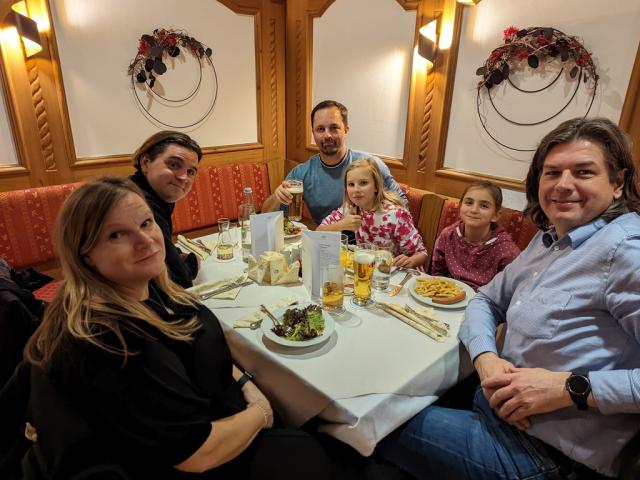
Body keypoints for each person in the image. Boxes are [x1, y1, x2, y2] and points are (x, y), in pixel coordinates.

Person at [18, 177, 356, 479]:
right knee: (332, 449)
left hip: (221, 411)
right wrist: (261, 412)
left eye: (146, 223)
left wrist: (245, 382)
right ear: (85, 255)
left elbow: (192, 343)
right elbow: (196, 454)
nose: (146, 240)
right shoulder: (115, 339)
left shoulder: (145, 290)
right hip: (204, 456)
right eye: (116, 234)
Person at [377, 117, 640, 479]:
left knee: (374, 419)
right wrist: (486, 358)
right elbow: (485, 300)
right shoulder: (549, 239)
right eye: (552, 172)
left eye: (583, 172)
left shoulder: (626, 252)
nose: (563, 184)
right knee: (385, 380)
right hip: (492, 405)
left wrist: (570, 388)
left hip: (542, 454)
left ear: (617, 183)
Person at [261, 100, 407, 225]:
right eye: (320, 129)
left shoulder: (371, 165)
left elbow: (403, 204)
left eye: (334, 128)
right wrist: (276, 197)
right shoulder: (301, 173)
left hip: (367, 244)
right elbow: (265, 216)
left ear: (346, 130)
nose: (327, 135)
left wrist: (372, 221)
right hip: (324, 240)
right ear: (313, 134)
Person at [317, 158, 427, 269]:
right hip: (368, 271)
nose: (356, 190)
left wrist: (411, 261)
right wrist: (341, 225)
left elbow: (422, 253)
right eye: (351, 184)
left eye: (363, 183)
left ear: (376, 186)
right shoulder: (349, 209)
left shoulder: (397, 215)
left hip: (397, 272)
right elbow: (318, 232)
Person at [130, 131, 202, 288]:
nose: (183, 177)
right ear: (146, 163)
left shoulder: (154, 194)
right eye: (174, 165)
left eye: (190, 172)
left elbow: (161, 248)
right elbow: (179, 281)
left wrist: (176, 255)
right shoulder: (139, 204)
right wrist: (192, 263)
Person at [431, 180, 520, 290]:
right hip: (447, 293)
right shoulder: (448, 235)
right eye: (469, 203)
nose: (474, 210)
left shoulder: (506, 250)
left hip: (485, 298)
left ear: (496, 215)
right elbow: (438, 273)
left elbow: (507, 289)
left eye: (484, 206)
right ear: (460, 207)